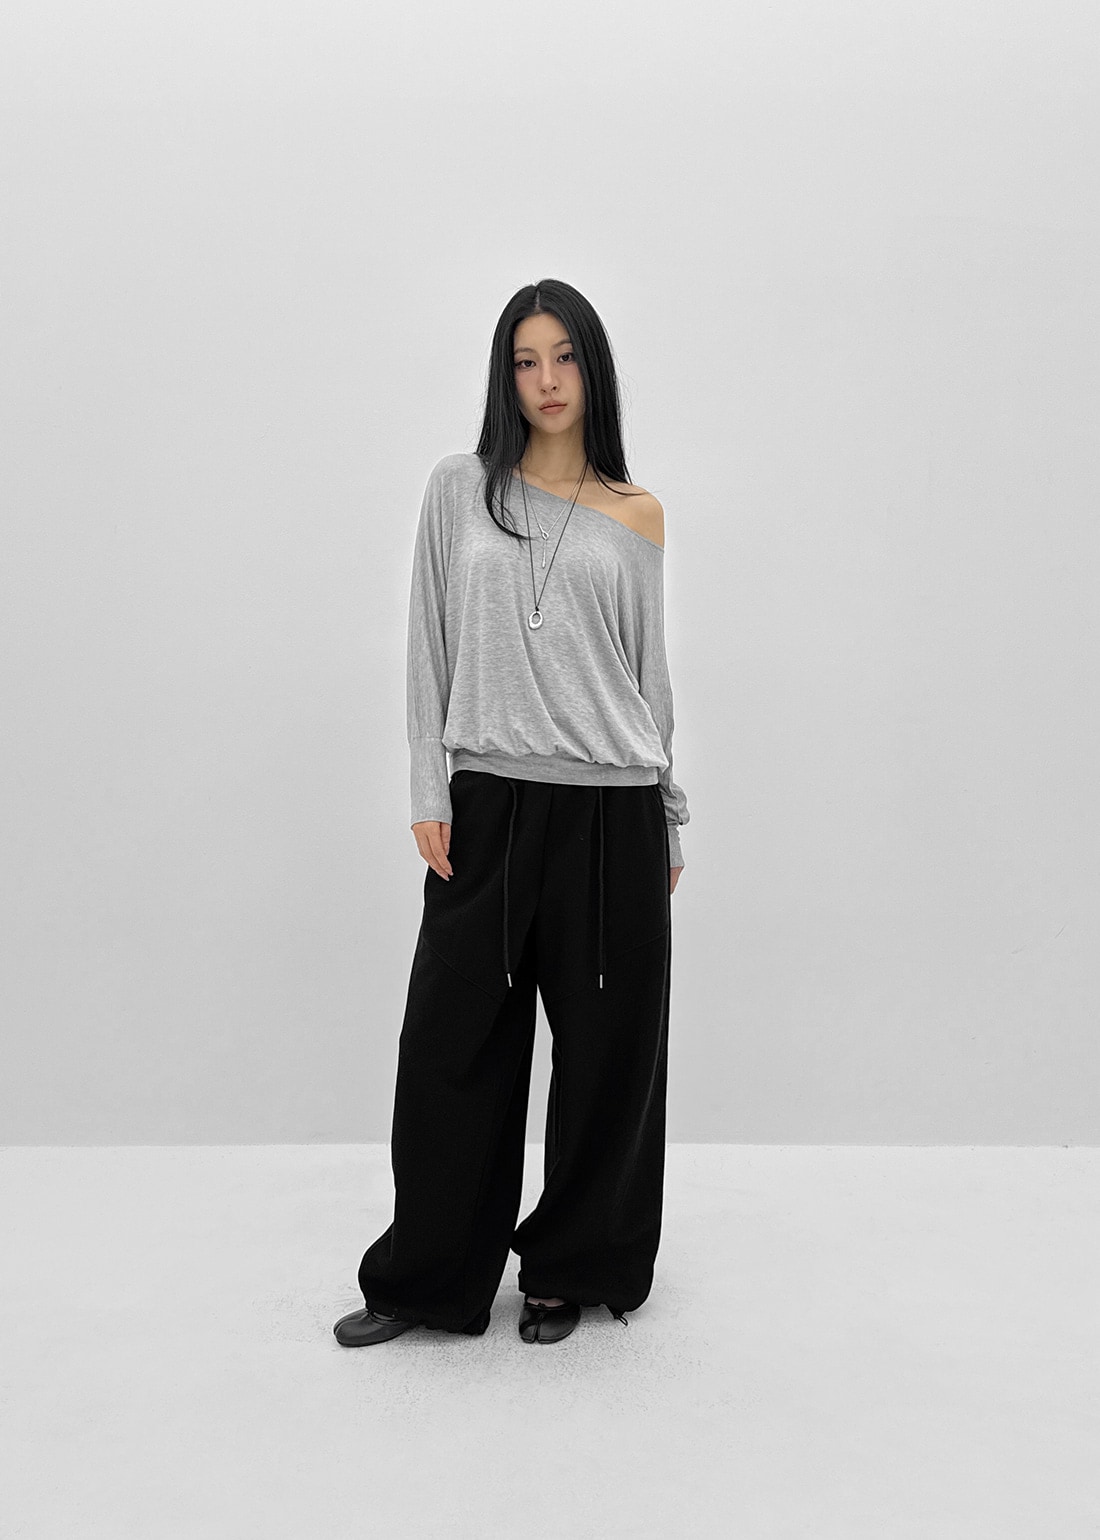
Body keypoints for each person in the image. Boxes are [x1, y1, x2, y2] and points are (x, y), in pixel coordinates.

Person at [334, 278, 689, 1349]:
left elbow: (647, 677)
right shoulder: (460, 489)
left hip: (613, 812)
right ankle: (427, 1277)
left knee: (607, 1058)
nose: (547, 380)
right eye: (527, 361)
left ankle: (570, 1268)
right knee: (452, 1047)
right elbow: (428, 641)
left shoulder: (636, 512)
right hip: (486, 802)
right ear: (506, 376)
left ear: (593, 369)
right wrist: (427, 783)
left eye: (565, 357)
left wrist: (669, 813)